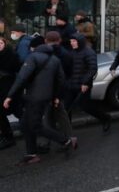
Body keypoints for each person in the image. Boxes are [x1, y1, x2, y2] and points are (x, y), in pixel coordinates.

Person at [4, 31, 77, 164]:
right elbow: (60, 80)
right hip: (45, 97)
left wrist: (10, 96)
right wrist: (56, 96)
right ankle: (31, 153)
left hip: (34, 97)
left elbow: (21, 78)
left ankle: (65, 141)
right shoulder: (55, 59)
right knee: (25, 124)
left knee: (35, 126)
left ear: (33, 47)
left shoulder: (33, 57)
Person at [63, 33, 109, 132]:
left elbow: (92, 69)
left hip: (83, 85)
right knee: (66, 107)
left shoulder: (89, 52)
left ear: (79, 42)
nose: (72, 43)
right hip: (71, 84)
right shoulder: (72, 52)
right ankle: (67, 131)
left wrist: (85, 83)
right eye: (71, 41)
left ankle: (104, 118)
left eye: (74, 41)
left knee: (86, 107)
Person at [0, 36, 22, 150]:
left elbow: (18, 68)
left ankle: (30, 129)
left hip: (9, 87)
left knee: (17, 111)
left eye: (0, 43)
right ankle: (7, 136)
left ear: (5, 43)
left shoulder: (11, 55)